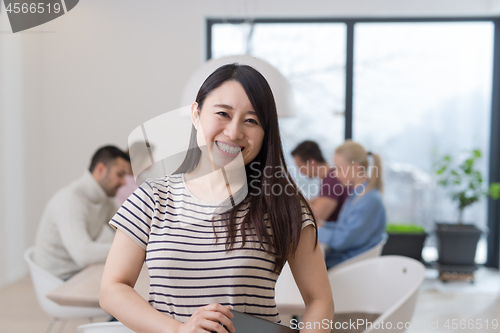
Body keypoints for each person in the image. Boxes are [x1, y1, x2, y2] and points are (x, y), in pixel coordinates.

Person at [100, 64, 334, 333]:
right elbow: (112, 288)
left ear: (265, 133)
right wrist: (178, 330)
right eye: (223, 113)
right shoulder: (152, 198)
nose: (234, 132)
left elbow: (320, 299)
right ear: (196, 115)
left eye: (251, 120)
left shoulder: (285, 206)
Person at [34, 145, 130, 280]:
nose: (124, 182)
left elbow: (128, 230)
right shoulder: (69, 200)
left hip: (81, 272)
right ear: (100, 170)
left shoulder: (105, 199)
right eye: (120, 174)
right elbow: (83, 254)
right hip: (58, 281)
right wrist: (128, 249)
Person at [318, 140, 387, 269]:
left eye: (339, 168)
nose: (334, 174)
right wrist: (324, 225)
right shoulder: (357, 194)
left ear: (356, 168)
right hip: (347, 258)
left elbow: (342, 239)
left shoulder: (369, 200)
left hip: (351, 264)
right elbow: (345, 227)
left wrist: (317, 231)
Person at [291, 140, 347, 224]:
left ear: (312, 162)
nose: (300, 171)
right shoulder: (330, 178)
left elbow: (312, 220)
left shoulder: (331, 182)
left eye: (300, 166)